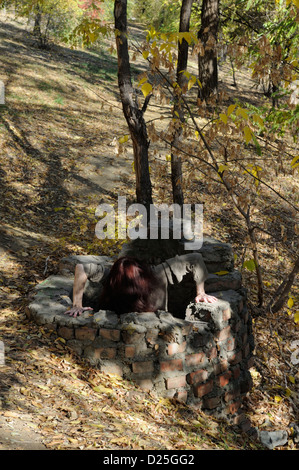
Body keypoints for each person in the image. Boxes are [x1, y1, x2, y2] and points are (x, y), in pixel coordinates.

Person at [65, 254, 218, 317]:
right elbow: (81, 268)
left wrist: (201, 292)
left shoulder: (157, 274)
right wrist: (77, 304)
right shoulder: (111, 278)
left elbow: (196, 259)